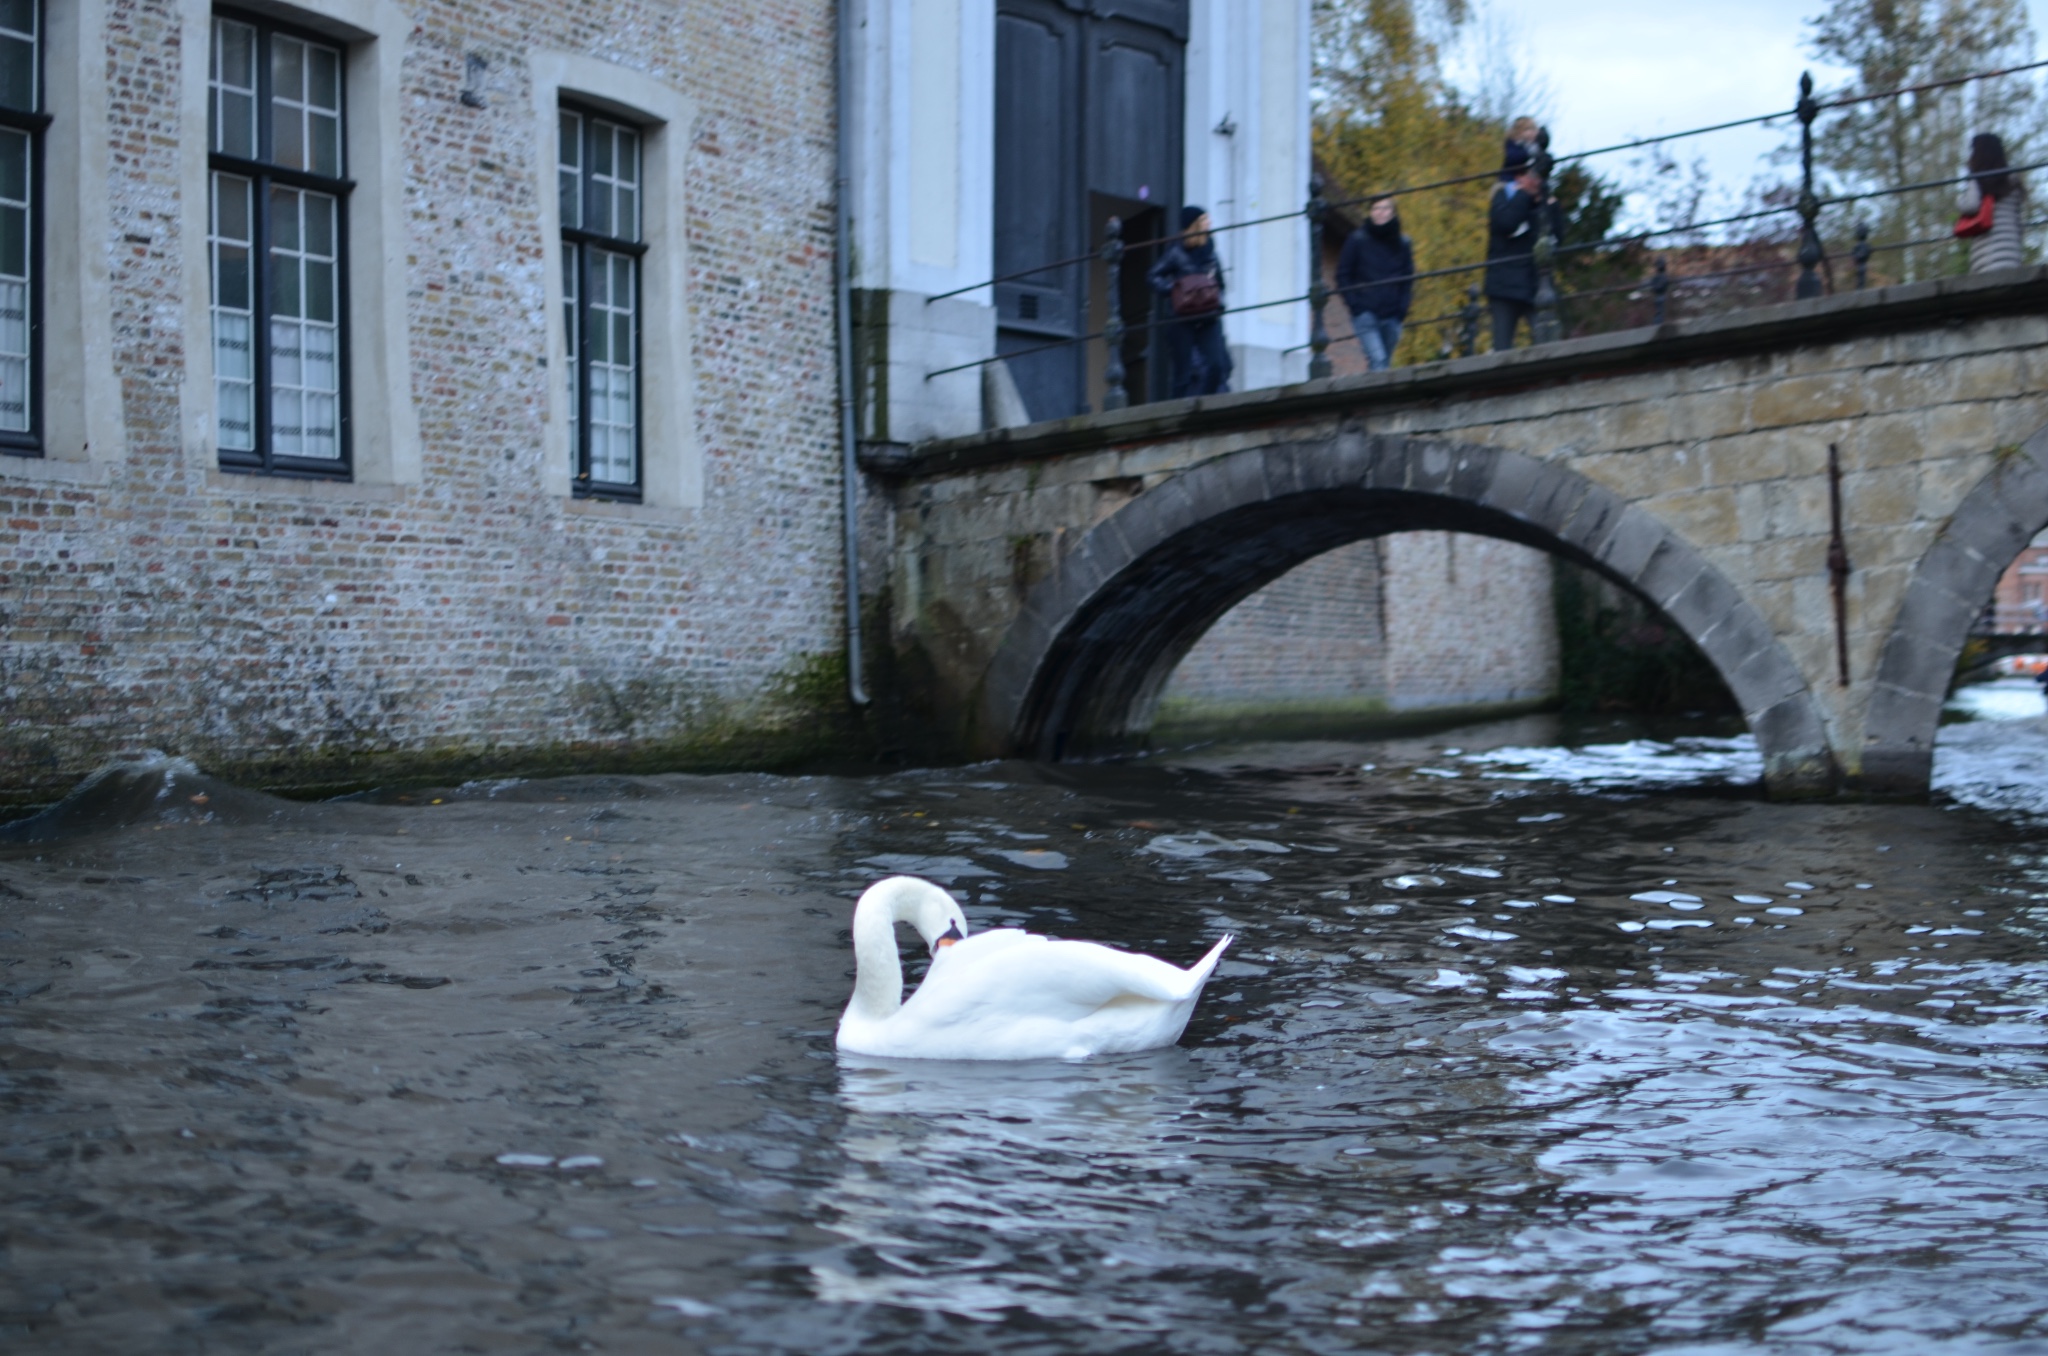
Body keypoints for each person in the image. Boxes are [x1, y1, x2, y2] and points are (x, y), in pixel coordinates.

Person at [1148, 205, 1233, 398]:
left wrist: (1218, 301)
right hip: (1182, 318)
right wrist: (1174, 290)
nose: (1209, 224)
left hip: (1208, 316)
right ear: (1194, 225)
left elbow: (1220, 283)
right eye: (1205, 220)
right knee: (1182, 375)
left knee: (1217, 366)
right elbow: (1152, 276)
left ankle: (1202, 405)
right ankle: (1178, 415)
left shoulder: (1211, 251)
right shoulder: (1175, 252)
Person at [1335, 196, 1415, 371]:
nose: (1380, 213)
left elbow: (1408, 279)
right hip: (1366, 314)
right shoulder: (1357, 240)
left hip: (1392, 316)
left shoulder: (1403, 244)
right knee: (1378, 359)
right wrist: (1356, 307)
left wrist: (1402, 310)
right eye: (1376, 209)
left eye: (1385, 209)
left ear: (1393, 214)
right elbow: (1343, 275)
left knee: (1384, 362)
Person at [1484, 157, 1549, 351]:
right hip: (1504, 285)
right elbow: (1506, 223)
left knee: (1547, 342)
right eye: (1530, 175)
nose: (1534, 181)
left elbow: (1553, 235)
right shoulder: (1503, 196)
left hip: (1535, 285)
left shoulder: (1540, 201)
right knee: (1502, 348)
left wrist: (1543, 201)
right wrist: (1523, 195)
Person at [1959, 132, 2026, 273]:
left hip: (1986, 258)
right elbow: (2019, 221)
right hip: (2011, 256)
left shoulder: (1977, 179)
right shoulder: (2012, 180)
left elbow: (1971, 205)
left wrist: (1959, 200)